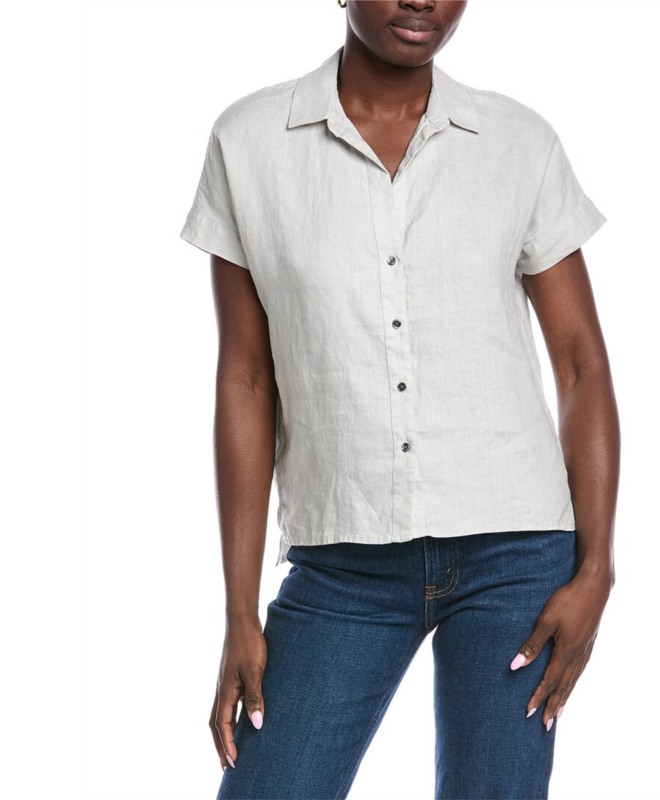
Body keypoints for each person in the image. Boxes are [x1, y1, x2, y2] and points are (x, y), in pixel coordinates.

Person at [180, 0, 619, 797]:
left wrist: (596, 570)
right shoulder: (248, 143)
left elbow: (582, 364)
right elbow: (245, 378)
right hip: (341, 564)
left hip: (516, 557)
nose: (424, 1)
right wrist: (240, 612)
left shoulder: (518, 143)